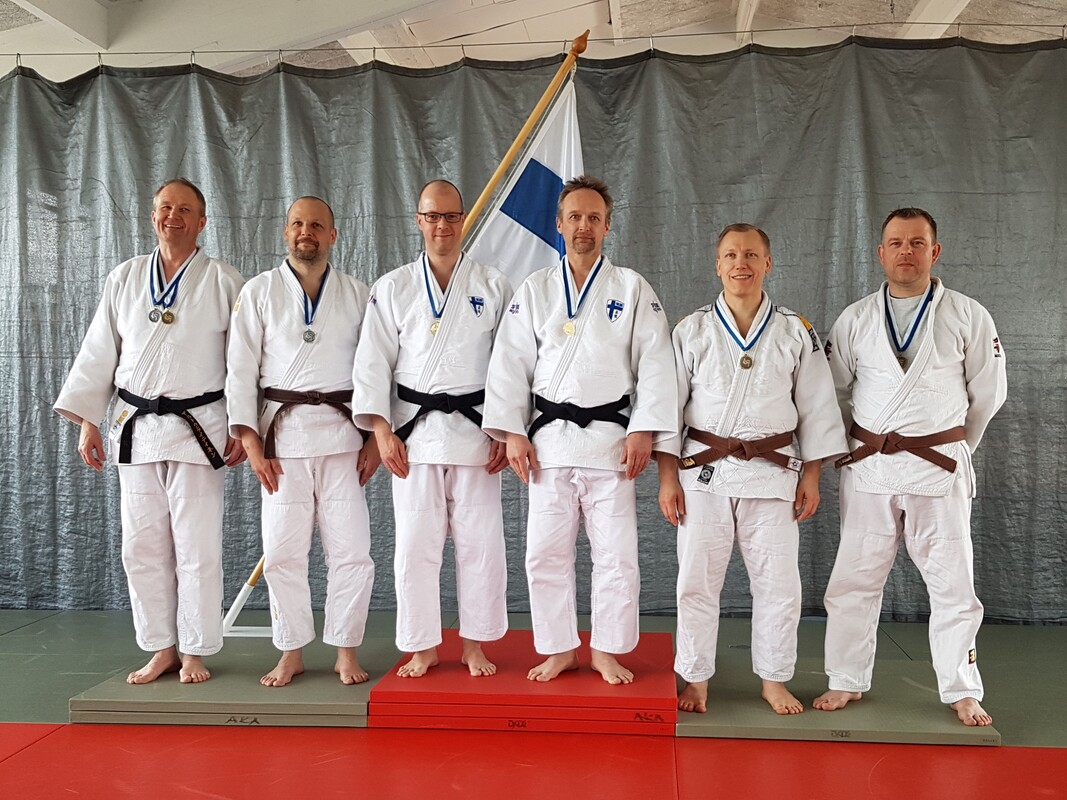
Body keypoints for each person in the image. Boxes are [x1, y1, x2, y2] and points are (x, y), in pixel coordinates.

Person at [813, 207, 1007, 726]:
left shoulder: (968, 315)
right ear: (881, 253)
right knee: (853, 579)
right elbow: (832, 392)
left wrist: (955, 446)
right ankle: (845, 679)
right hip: (870, 468)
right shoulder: (855, 319)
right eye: (896, 243)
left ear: (934, 251)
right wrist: (852, 447)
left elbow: (988, 394)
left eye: (917, 243)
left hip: (938, 468)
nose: (906, 251)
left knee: (954, 585)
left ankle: (962, 689)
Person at [483, 175, 677, 685]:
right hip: (548, 442)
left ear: (608, 225)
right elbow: (510, 363)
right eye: (575, 217)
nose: (583, 226)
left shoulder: (631, 288)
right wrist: (513, 432)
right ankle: (560, 648)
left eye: (593, 217)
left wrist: (644, 430)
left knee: (617, 555)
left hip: (612, 442)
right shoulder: (536, 289)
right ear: (559, 224)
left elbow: (656, 362)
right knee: (544, 554)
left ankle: (607, 649)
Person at [54, 178, 246, 684]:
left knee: (196, 546)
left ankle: (196, 649)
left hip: (200, 428)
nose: (172, 216)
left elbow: (244, 361)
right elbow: (100, 351)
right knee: (141, 546)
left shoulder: (225, 280)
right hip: (135, 428)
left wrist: (243, 424)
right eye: (165, 207)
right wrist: (89, 421)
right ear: (153, 215)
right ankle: (162, 647)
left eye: (184, 209)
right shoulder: (124, 277)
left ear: (202, 222)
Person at [657, 224, 847, 715]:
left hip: (773, 474)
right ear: (717, 265)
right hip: (703, 475)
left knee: (779, 586)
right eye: (730, 255)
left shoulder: (795, 330)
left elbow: (817, 407)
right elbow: (666, 408)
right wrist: (667, 478)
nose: (740, 263)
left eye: (751, 255)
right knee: (696, 584)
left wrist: (811, 475)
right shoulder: (691, 330)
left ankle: (774, 679)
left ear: (768, 263)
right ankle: (696, 679)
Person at [353, 180, 510, 678]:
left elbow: (510, 364)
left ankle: (474, 644)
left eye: (451, 216)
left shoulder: (493, 285)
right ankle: (421, 645)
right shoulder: (392, 287)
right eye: (432, 216)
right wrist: (381, 432)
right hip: (413, 437)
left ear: (462, 220)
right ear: (419, 221)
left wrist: (505, 431)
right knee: (415, 548)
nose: (442, 225)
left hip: (478, 434)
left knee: (481, 547)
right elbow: (372, 364)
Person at [226, 196, 378, 688]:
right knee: (282, 553)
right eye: (297, 224)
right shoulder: (258, 292)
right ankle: (290, 651)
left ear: (333, 235)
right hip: (281, 442)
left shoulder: (358, 294)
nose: (305, 232)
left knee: (352, 551)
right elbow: (240, 370)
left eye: (316, 225)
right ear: (285, 231)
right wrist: (250, 440)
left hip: (343, 439)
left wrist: (375, 437)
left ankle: (345, 650)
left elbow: (376, 370)